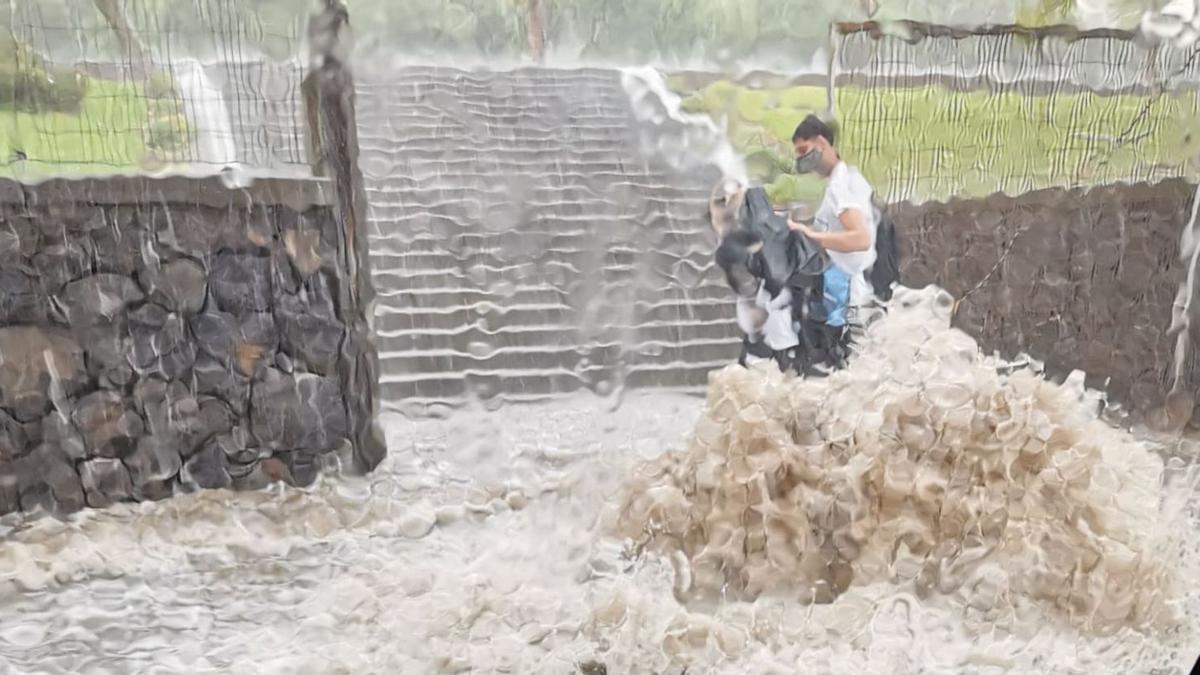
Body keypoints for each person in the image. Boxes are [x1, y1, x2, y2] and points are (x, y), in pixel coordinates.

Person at [786, 114, 885, 351]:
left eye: (803, 150)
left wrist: (811, 236)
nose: (800, 159)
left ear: (821, 142)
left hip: (854, 298)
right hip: (851, 293)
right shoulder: (843, 180)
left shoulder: (841, 185)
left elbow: (861, 239)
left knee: (855, 359)